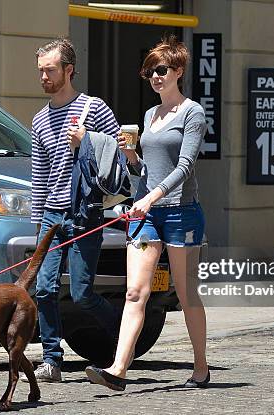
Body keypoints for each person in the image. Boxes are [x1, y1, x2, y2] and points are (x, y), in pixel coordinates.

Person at [85, 35, 210, 391]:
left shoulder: (193, 112)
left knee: (186, 293)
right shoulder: (150, 115)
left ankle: (201, 367)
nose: (154, 77)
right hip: (147, 213)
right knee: (134, 292)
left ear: (178, 71)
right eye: (149, 71)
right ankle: (118, 370)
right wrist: (131, 158)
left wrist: (152, 196)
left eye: (161, 69)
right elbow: (148, 169)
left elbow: (185, 166)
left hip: (181, 213)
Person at [24, 37, 120, 383]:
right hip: (52, 214)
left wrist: (87, 143)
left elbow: (118, 155)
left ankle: (122, 337)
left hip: (85, 214)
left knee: (81, 293)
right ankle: (52, 360)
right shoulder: (38, 121)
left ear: (69, 70)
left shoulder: (94, 109)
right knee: (44, 289)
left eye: (50, 70)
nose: (44, 77)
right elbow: (40, 176)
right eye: (40, 71)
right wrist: (38, 225)